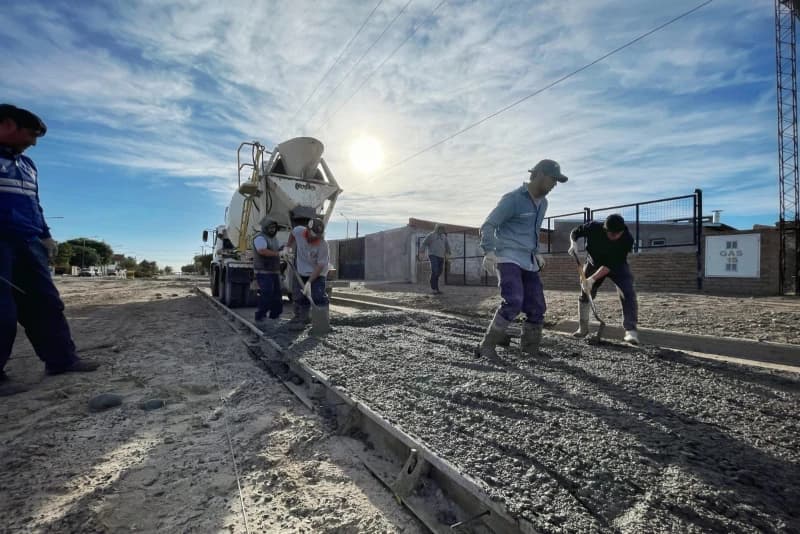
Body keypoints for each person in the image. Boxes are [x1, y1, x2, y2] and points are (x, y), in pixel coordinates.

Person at [0, 104, 99, 396]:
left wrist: (45, 236)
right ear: (7, 125)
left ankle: (61, 361)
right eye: (31, 134)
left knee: (46, 303)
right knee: (2, 310)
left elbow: (34, 204)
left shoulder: (28, 166)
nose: (33, 142)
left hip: (29, 242)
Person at [476, 159, 568, 359]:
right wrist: (489, 251)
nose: (555, 184)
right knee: (514, 300)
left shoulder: (543, 203)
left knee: (537, 306)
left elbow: (533, 231)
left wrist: (536, 252)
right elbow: (488, 225)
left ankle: (530, 349)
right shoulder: (513, 199)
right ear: (540, 174)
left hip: (528, 259)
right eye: (553, 179)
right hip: (507, 256)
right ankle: (486, 346)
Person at [568, 213, 639, 344]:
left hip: (617, 265)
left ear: (622, 231)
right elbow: (575, 232)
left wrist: (592, 279)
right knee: (585, 292)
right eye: (611, 234)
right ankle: (583, 327)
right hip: (593, 262)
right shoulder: (594, 227)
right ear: (605, 229)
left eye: (618, 234)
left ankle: (631, 330)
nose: (615, 237)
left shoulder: (627, 239)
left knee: (627, 291)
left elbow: (610, 265)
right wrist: (573, 243)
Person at [282, 217, 330, 331]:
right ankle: (300, 318)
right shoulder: (299, 231)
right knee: (298, 296)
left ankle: (322, 322)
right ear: (307, 229)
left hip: (318, 273)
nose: (314, 238)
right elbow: (293, 234)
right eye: (313, 234)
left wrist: (309, 282)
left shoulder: (323, 244)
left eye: (317, 236)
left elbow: (320, 266)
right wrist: (287, 247)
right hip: (301, 271)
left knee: (318, 296)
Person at [252, 216, 283, 326]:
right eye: (270, 228)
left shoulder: (274, 239)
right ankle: (260, 317)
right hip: (263, 271)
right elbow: (262, 251)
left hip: (274, 271)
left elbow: (275, 250)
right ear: (265, 228)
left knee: (277, 295)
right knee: (267, 294)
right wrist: (278, 253)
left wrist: (283, 250)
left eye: (274, 228)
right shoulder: (259, 238)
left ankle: (275, 316)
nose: (273, 230)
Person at [418, 224, 451, 294]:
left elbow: (447, 245)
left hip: (441, 256)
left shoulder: (444, 236)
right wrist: (421, 252)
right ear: (437, 229)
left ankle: (436, 288)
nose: (442, 230)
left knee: (439, 272)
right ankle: (433, 288)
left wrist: (448, 253)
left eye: (443, 229)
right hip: (433, 255)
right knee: (435, 270)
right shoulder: (431, 235)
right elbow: (424, 243)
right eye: (440, 229)